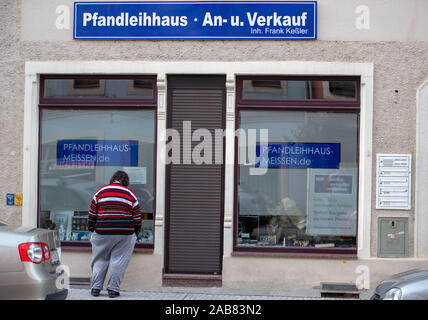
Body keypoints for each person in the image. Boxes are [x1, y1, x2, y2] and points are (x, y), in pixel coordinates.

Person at [87, 170, 142, 298]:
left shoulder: (100, 192)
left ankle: (96, 288)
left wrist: (92, 228)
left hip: (102, 231)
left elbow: (92, 214)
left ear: (112, 179)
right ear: (126, 182)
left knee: (100, 259)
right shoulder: (130, 194)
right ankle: (113, 290)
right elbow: (137, 217)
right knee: (119, 261)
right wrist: (136, 232)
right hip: (124, 233)